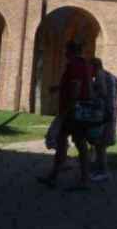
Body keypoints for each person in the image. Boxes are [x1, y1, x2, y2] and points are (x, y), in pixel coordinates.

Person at [38, 41, 93, 190]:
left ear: (71, 51)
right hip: (78, 110)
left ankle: (83, 180)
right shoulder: (84, 64)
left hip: (73, 111)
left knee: (77, 144)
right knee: (65, 141)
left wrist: (67, 109)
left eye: (66, 50)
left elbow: (76, 87)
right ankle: (56, 176)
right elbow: (75, 84)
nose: (64, 53)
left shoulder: (74, 65)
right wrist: (59, 88)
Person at [89, 56, 117, 182]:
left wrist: (91, 91)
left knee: (100, 144)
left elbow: (102, 92)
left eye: (89, 68)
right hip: (112, 111)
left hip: (103, 113)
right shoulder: (113, 77)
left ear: (94, 67)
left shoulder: (100, 76)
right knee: (101, 144)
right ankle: (98, 169)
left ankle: (104, 171)